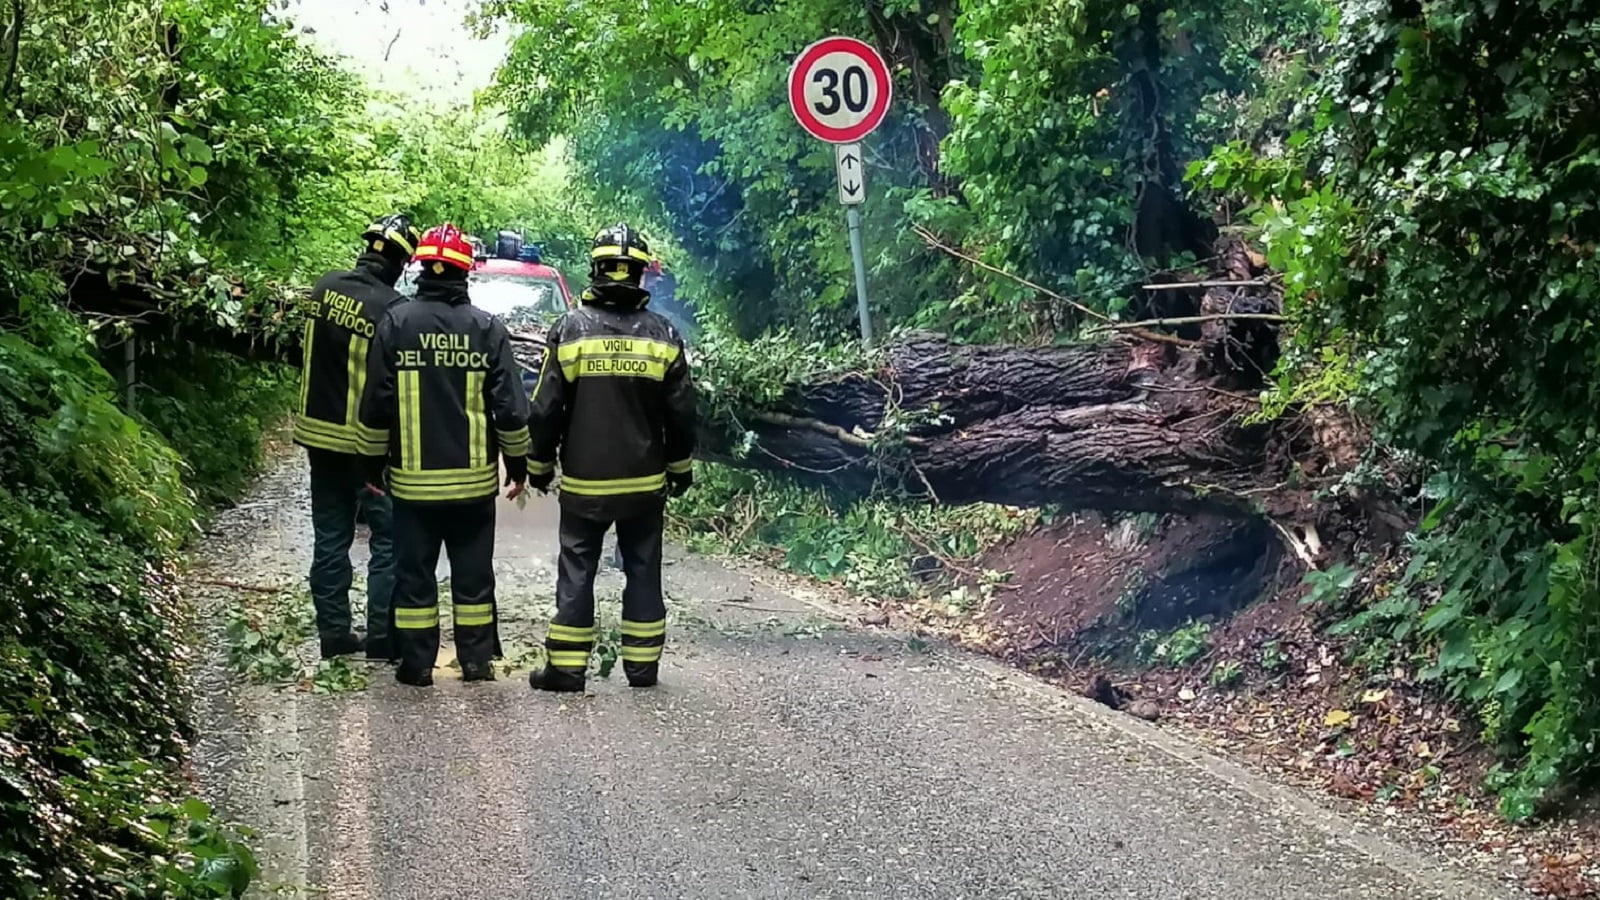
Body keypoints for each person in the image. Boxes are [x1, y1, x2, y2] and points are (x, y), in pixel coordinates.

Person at [525, 222, 697, 693]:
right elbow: (682, 411)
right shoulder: (663, 334)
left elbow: (544, 409)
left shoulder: (570, 329)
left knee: (577, 570)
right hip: (644, 484)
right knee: (643, 569)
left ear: (595, 270)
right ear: (641, 274)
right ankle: (642, 668)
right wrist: (680, 466)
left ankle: (566, 670)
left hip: (585, 483)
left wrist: (539, 464)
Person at [357, 223, 531, 686]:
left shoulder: (396, 324)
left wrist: (371, 465)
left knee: (414, 577)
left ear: (420, 269)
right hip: (473, 488)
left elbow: (376, 403)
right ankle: (475, 662)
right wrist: (518, 466)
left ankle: (417, 666)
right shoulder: (487, 329)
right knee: (473, 578)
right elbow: (510, 410)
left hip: (413, 487)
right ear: (464, 272)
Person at [293, 214, 420, 660]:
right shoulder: (393, 310)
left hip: (318, 435)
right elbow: (391, 386)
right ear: (402, 262)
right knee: (387, 539)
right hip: (367, 446)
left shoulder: (324, 288)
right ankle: (382, 638)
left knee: (331, 536)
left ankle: (334, 634)